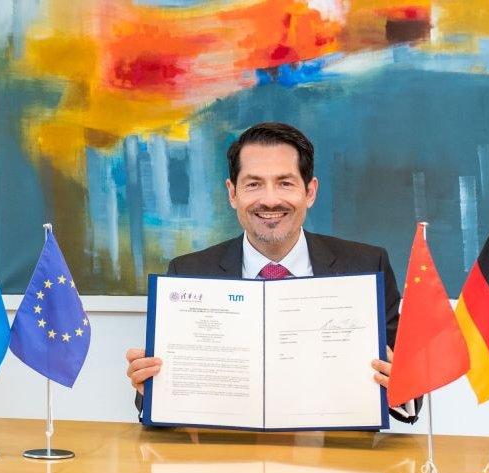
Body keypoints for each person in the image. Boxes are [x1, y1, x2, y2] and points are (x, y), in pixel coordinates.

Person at [124, 122, 419, 424]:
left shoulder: (367, 265)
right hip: (225, 458)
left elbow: (406, 385)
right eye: (253, 184)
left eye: (285, 183)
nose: (269, 199)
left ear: (310, 192)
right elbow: (165, 393)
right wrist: (150, 388)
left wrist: (403, 385)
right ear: (232, 194)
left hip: (340, 455)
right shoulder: (188, 272)